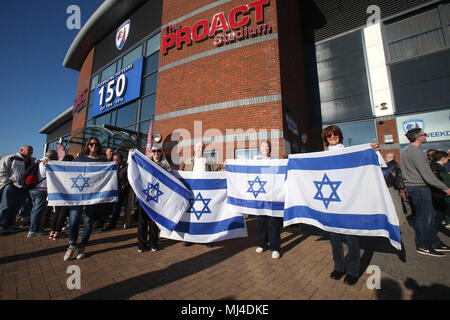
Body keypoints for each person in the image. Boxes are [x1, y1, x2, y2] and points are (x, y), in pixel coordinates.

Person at [321, 125, 381, 286]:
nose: (332, 137)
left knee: (351, 237)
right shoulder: (322, 156)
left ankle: (352, 271)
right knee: (334, 238)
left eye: (335, 134)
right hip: (331, 204)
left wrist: (372, 150)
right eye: (329, 135)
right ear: (326, 139)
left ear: (340, 136)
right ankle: (339, 267)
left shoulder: (351, 152)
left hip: (349, 202)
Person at [400, 128, 450, 257]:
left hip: (414, 187)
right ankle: (423, 245)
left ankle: (433, 242)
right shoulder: (416, 152)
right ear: (418, 137)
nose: (426, 136)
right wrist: (444, 188)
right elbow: (427, 174)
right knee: (425, 217)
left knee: (429, 216)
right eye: (424, 134)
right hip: (419, 188)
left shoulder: (405, 150)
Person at [64, 137, 107, 261]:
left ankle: (82, 246)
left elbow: (109, 174)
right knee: (73, 219)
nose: (94, 146)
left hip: (93, 196)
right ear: (87, 146)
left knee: (88, 221)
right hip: (78, 194)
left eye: (96, 144)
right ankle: (72, 245)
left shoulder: (103, 161)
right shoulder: (80, 159)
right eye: (91, 144)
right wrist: (48, 163)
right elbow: (66, 170)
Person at [181, 141, 220, 247]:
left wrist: (227, 166)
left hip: (206, 193)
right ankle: (190, 238)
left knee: (206, 216)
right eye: (198, 147)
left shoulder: (210, 161)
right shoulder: (188, 161)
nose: (200, 149)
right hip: (192, 193)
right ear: (194, 148)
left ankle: (206, 239)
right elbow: (182, 175)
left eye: (202, 147)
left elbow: (219, 171)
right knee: (191, 216)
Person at [137, 145, 170, 252]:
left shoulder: (166, 167)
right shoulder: (145, 165)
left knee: (154, 222)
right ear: (151, 153)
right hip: (145, 196)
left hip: (158, 198)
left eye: (158, 151)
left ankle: (153, 243)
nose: (156, 153)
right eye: (154, 151)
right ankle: (142, 244)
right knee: (142, 222)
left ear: (161, 153)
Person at [255, 141, 282, 259]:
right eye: (262, 146)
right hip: (260, 196)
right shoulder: (255, 163)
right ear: (259, 149)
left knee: (273, 221)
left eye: (266, 146)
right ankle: (262, 243)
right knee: (260, 221)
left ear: (269, 149)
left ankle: (275, 248)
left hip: (272, 196)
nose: (264, 148)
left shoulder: (274, 162)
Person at [0, 145, 35, 234]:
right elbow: (2, 170)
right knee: (6, 206)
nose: (31, 152)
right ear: (21, 150)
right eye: (29, 150)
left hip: (23, 187)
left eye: (32, 150)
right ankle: (2, 225)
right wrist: (7, 182)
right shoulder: (11, 158)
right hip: (11, 186)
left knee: (16, 207)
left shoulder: (32, 161)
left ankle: (10, 225)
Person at [27, 150, 58, 237]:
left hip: (34, 188)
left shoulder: (39, 161)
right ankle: (33, 230)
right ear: (53, 157)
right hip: (41, 190)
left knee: (35, 209)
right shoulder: (48, 163)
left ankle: (35, 227)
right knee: (38, 210)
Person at [102, 153, 130, 231]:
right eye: (113, 160)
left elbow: (130, 178)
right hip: (113, 189)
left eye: (116, 160)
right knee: (108, 207)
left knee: (116, 208)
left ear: (120, 160)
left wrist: (125, 185)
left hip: (122, 191)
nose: (114, 162)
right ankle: (103, 222)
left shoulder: (127, 168)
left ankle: (113, 224)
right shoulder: (114, 167)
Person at [49, 154, 74, 240]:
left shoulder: (58, 168)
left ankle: (52, 231)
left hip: (57, 193)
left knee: (57, 212)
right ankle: (58, 232)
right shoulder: (70, 170)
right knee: (62, 213)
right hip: (66, 194)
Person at [383, 153, 407, 226]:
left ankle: (400, 220)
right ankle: (400, 219)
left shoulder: (392, 165)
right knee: (396, 202)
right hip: (395, 186)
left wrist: (386, 183)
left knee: (396, 203)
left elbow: (390, 176)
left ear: (389, 157)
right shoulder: (394, 164)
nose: (384, 158)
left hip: (392, 187)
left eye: (385, 157)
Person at [429, 151, 450, 231]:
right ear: (443, 159)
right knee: (440, 215)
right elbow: (446, 181)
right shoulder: (441, 169)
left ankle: (433, 232)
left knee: (439, 215)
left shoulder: (432, 167)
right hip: (445, 195)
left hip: (437, 195)